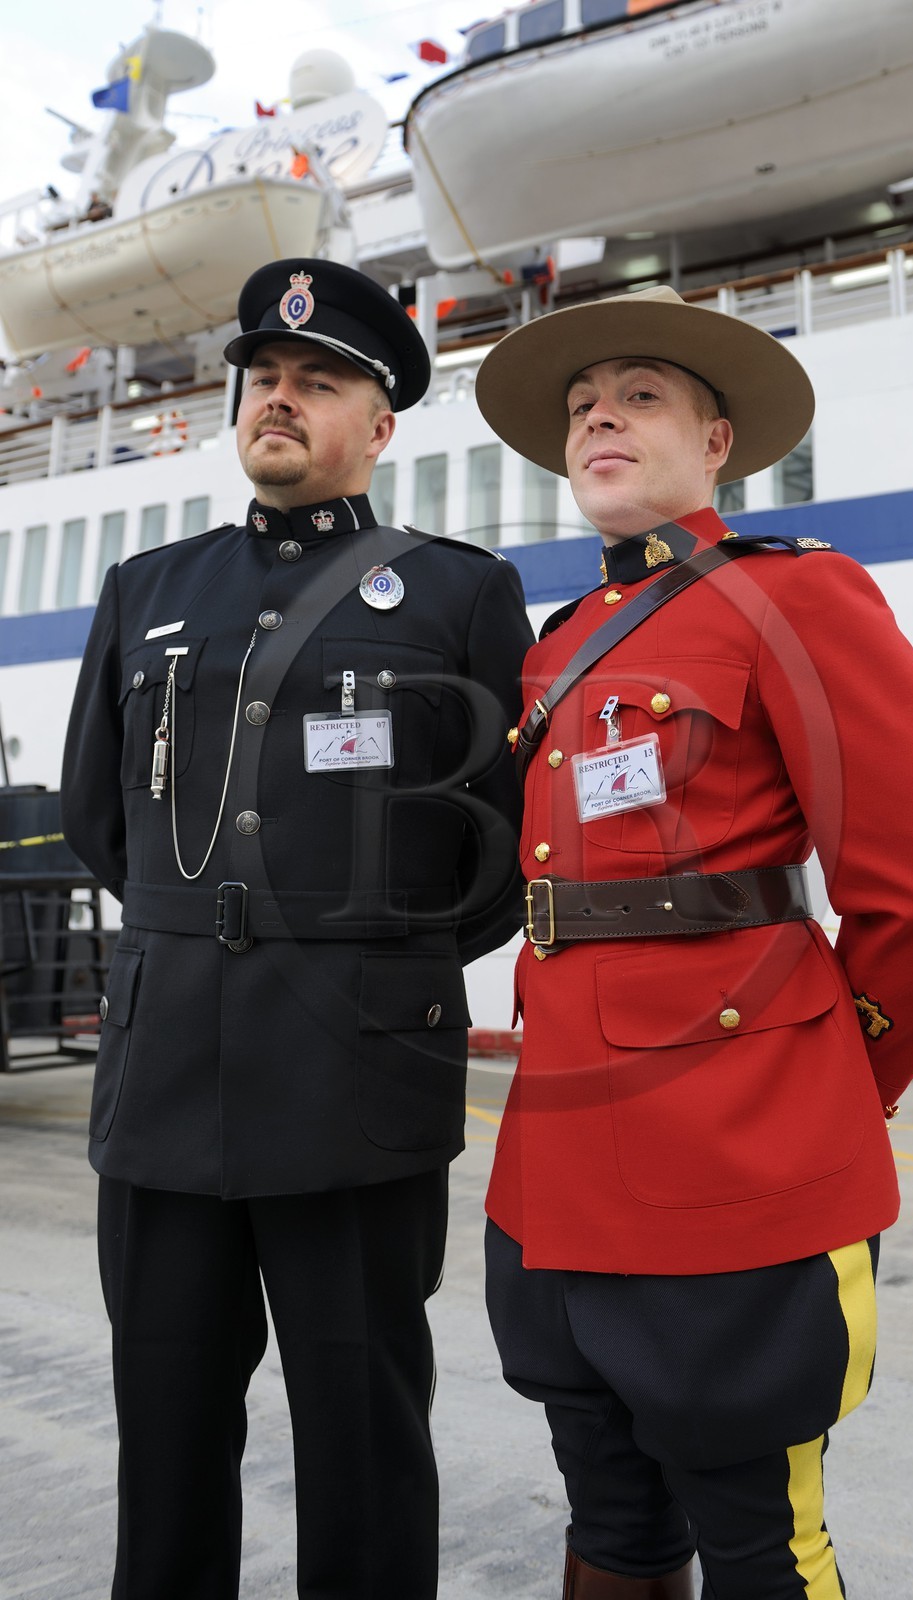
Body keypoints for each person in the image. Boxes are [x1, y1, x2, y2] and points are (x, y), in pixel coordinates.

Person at [473, 285, 913, 1599]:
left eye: (639, 395)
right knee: (607, 1515)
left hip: (735, 1153)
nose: (600, 415)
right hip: (554, 1165)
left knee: (758, 1533)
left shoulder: (795, 598)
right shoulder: (555, 655)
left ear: (717, 442)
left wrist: (833, 1078)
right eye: (581, 406)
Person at [61, 258, 533, 1600]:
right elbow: (100, 812)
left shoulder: (456, 593)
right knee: (163, 1423)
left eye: (316, 383)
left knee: (362, 1425)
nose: (279, 398)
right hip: (164, 1081)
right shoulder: (147, 585)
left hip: (354, 1072)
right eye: (263, 378)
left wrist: (361, 959)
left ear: (377, 428)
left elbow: (494, 852)